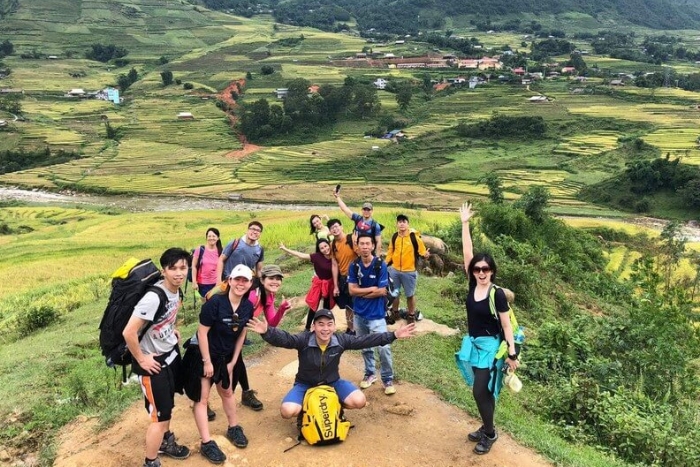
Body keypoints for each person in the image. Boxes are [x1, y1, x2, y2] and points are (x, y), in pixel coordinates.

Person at [245, 309, 416, 421]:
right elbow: (286, 339)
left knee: (359, 401)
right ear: (313, 326)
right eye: (320, 324)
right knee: (288, 412)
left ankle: (335, 406)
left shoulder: (341, 340)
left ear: (334, 326)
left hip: (332, 382)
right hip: (305, 384)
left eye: (329, 324)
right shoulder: (304, 340)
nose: (325, 329)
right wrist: (267, 332)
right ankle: (308, 410)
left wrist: (393, 335)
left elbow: (365, 340)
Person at [460, 201, 519, 455]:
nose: (481, 272)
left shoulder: (498, 294)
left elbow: (506, 324)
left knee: (479, 389)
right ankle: (486, 426)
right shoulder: (473, 286)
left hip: (490, 346)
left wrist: (512, 353)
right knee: (481, 389)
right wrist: (465, 224)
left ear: (492, 271)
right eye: (477, 269)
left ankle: (491, 432)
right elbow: (467, 252)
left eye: (485, 269)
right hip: (474, 343)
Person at [122, 248, 191, 467]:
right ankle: (150, 461)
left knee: (166, 407)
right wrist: (142, 359)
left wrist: (172, 330)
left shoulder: (177, 291)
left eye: (183, 268)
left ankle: (165, 442)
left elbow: (168, 316)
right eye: (173, 269)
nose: (179, 273)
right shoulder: (153, 297)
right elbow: (128, 332)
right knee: (159, 418)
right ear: (164, 271)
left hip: (170, 355)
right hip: (154, 365)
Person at [190, 264, 254, 464]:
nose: (240, 284)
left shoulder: (247, 306)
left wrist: (233, 361)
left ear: (250, 284)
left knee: (227, 391)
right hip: (204, 353)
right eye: (237, 279)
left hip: (226, 355)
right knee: (202, 397)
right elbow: (202, 332)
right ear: (229, 281)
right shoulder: (216, 302)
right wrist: (207, 361)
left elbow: (242, 332)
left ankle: (233, 427)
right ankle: (207, 442)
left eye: (245, 281)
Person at [347, 233, 397, 395]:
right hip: (359, 314)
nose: (365, 247)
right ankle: (370, 374)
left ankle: (387, 378)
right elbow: (351, 290)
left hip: (377, 315)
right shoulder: (354, 266)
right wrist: (370, 290)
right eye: (362, 244)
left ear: (373, 246)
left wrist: (360, 293)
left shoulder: (380, 265)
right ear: (357, 247)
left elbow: (382, 290)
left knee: (384, 348)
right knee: (365, 347)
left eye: (368, 244)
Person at [279, 239, 335, 331]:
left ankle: (325, 327)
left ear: (329, 245)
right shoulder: (317, 257)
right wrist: (285, 249)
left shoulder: (335, 255)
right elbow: (300, 255)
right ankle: (307, 328)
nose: (325, 249)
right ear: (319, 249)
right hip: (319, 284)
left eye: (326, 246)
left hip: (330, 284)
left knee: (327, 307)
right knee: (313, 305)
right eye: (322, 248)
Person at [386, 214, 430, 324]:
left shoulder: (413, 237)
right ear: (396, 224)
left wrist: (425, 254)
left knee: (410, 295)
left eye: (404, 221)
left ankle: (411, 316)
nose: (401, 223)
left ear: (407, 224)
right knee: (394, 293)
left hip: (409, 271)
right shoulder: (395, 236)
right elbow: (390, 252)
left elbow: (422, 251)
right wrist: (385, 264)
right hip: (394, 270)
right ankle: (395, 313)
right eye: (399, 221)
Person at [327, 218, 358, 335]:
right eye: (332, 228)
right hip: (344, 278)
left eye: (336, 226)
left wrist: (356, 243)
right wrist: (336, 285)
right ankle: (351, 329)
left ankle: (360, 329)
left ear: (341, 227)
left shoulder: (351, 238)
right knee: (348, 305)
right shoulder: (333, 244)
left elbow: (361, 254)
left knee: (358, 304)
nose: (335, 229)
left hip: (356, 278)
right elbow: (334, 265)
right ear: (330, 231)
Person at [333, 192, 383, 256]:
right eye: (364, 209)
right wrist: (337, 197)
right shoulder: (357, 218)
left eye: (368, 210)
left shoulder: (375, 225)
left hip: (368, 251)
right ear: (361, 210)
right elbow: (345, 209)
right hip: (356, 250)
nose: (366, 212)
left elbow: (378, 242)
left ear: (372, 211)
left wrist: (377, 257)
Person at [191, 227, 223, 298]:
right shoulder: (200, 250)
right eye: (209, 236)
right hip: (202, 284)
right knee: (205, 304)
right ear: (206, 238)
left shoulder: (221, 251)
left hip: (216, 284)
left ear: (218, 238)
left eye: (214, 236)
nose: (211, 238)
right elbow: (194, 266)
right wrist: (194, 282)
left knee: (215, 304)